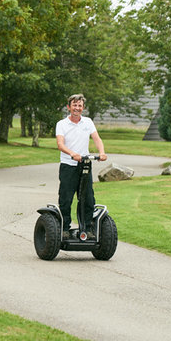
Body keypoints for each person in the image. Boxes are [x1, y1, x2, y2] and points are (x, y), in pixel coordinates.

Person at [55, 94, 107, 239]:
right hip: (68, 165)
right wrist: (72, 153)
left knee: (88, 198)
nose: (77, 108)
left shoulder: (88, 122)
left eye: (79, 106)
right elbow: (60, 144)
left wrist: (101, 152)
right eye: (74, 105)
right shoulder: (62, 124)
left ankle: (87, 228)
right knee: (66, 198)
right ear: (69, 107)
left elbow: (97, 138)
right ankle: (65, 228)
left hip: (84, 165)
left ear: (83, 108)